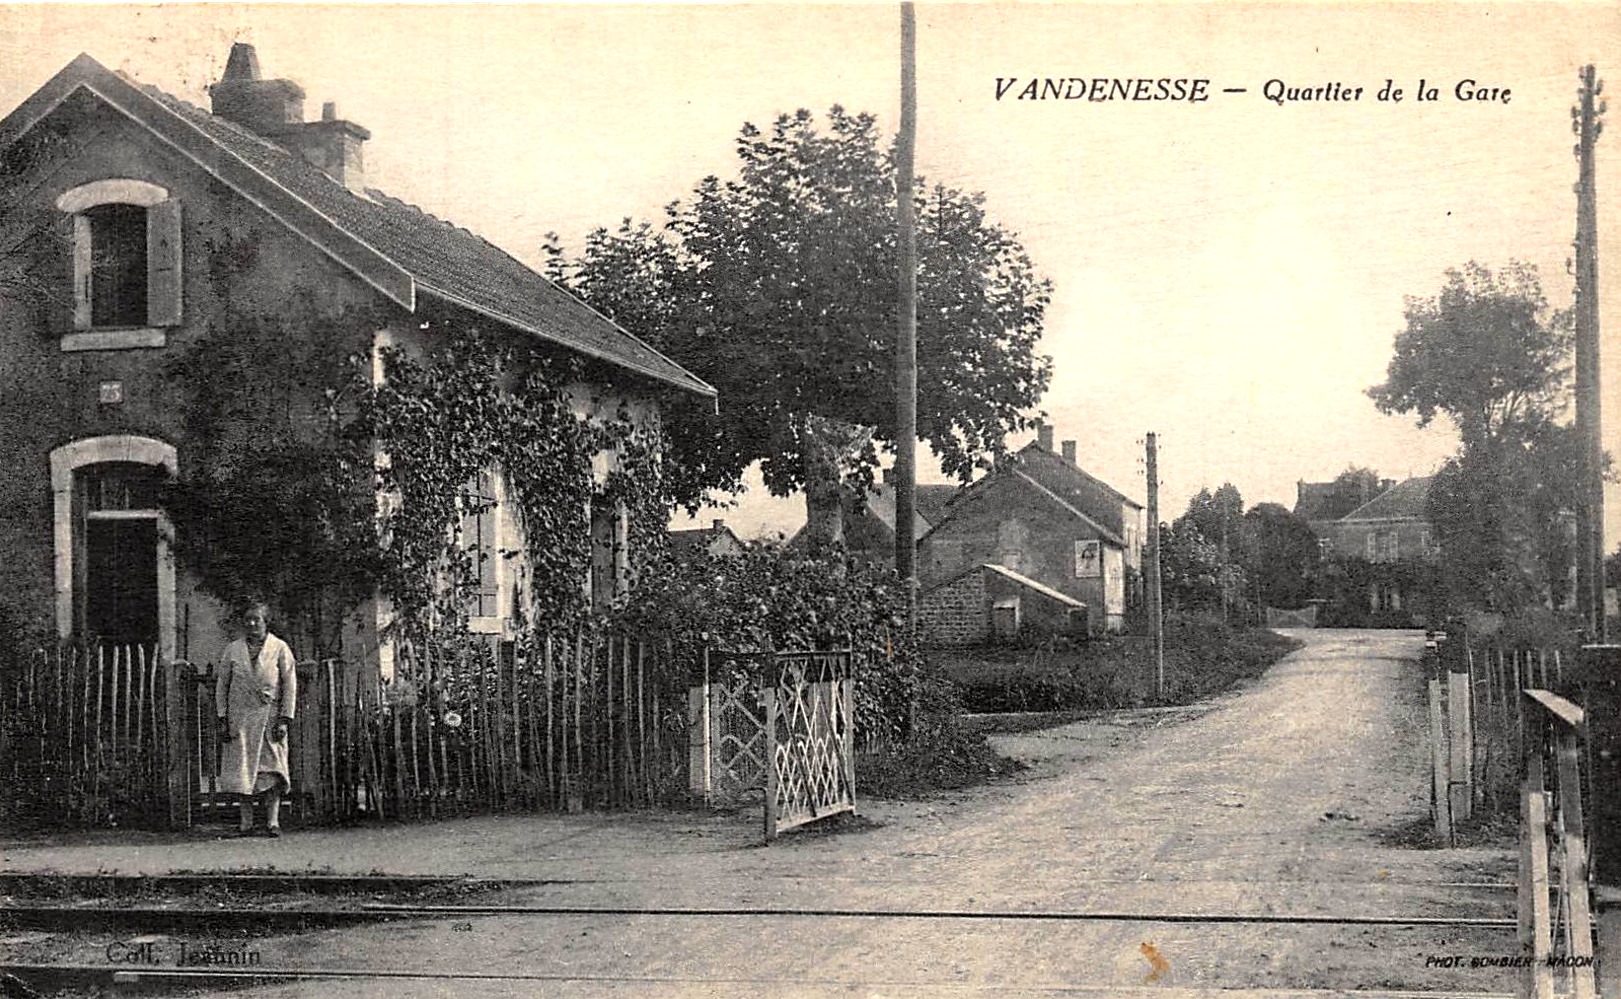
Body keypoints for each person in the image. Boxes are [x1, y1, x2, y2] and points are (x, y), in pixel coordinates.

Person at [216, 601, 297, 836]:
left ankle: (273, 822)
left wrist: (284, 718)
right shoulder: (233, 650)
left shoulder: (279, 648)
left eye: (257, 619)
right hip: (240, 719)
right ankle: (246, 823)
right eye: (248, 619)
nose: (252, 623)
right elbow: (222, 685)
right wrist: (223, 717)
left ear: (265, 622)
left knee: (271, 770)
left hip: (269, 718)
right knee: (242, 769)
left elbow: (290, 685)